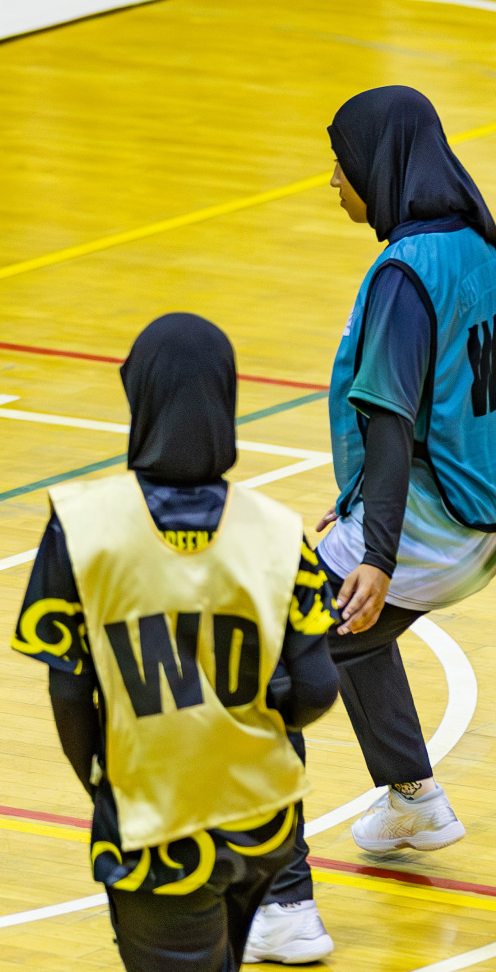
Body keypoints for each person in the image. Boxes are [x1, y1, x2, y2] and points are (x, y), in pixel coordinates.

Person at [245, 86, 496, 964]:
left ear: (379, 168)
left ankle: (284, 904)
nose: (335, 182)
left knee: (261, 670)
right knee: (355, 639)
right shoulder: (482, 251)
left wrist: (375, 548)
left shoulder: (405, 271)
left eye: (341, 166)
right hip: (475, 528)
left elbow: (389, 417)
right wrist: (358, 511)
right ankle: (413, 799)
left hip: (420, 532)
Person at [13, 313, 341, 972]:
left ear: (141, 396)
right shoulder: (278, 531)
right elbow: (316, 692)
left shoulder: (83, 526)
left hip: (153, 819)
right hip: (262, 823)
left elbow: (69, 690)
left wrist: (101, 786)